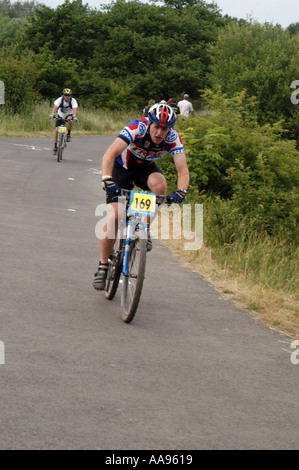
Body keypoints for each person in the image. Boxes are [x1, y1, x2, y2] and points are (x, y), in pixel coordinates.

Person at [93, 102, 190, 291]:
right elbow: (110, 154)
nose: (159, 133)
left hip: (145, 170)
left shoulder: (173, 138)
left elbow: (182, 169)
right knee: (115, 216)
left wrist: (181, 191)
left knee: (160, 185)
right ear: (149, 123)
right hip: (122, 169)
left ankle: (143, 228)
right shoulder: (136, 128)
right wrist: (106, 178)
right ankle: (103, 265)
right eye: (156, 127)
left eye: (165, 128)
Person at [49, 88, 78, 155]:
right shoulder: (60, 99)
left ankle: (68, 134)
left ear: (70, 96)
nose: (67, 97)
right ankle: (55, 146)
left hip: (69, 114)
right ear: (63, 95)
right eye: (65, 95)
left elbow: (74, 109)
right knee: (56, 130)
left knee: (70, 120)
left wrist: (74, 116)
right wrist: (52, 114)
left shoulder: (73, 101)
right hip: (60, 115)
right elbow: (55, 107)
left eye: (68, 95)